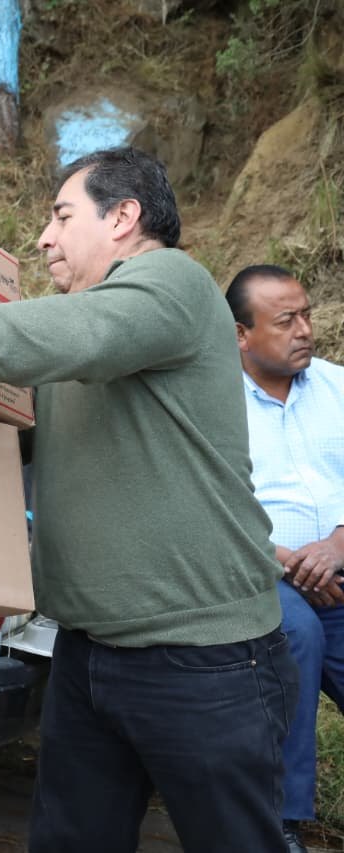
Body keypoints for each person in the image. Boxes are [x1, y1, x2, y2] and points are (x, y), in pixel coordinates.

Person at [0, 147, 294, 852]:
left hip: (203, 659)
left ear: (125, 218)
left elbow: (76, 332)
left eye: (63, 215)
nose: (44, 236)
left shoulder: (171, 283)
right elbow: (2, 456)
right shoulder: (72, 346)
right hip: (86, 655)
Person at [227, 264, 344, 853]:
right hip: (258, 572)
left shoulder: (337, 386)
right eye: (285, 321)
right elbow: (212, 502)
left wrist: (335, 547)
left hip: (338, 565)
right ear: (241, 334)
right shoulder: (214, 403)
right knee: (295, 636)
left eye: (307, 314)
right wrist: (290, 563)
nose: (305, 330)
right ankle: (283, 822)